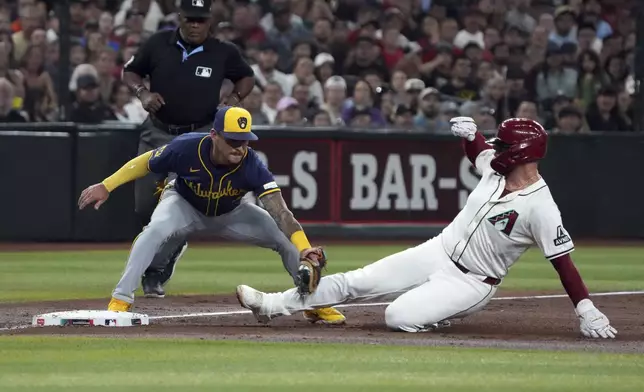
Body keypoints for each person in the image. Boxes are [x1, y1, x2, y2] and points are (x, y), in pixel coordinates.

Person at [236, 116, 617, 340]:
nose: (496, 150)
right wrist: (472, 136)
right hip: (438, 249)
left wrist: (586, 309)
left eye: (503, 146)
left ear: (522, 154)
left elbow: (563, 263)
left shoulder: (541, 206)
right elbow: (480, 152)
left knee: (397, 317)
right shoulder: (495, 168)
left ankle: (436, 310)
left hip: (471, 282)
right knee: (357, 281)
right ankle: (271, 304)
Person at [78, 106, 345, 325]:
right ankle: (121, 299)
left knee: (286, 240)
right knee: (155, 230)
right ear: (214, 135)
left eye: (244, 141)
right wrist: (107, 185)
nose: (239, 148)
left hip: (232, 212)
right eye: (232, 140)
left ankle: (314, 303)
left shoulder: (252, 165)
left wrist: (304, 248)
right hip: (183, 203)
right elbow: (146, 162)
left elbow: (280, 211)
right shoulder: (186, 148)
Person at [121, 0, 256, 298]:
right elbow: (130, 72)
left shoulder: (223, 51)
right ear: (179, 18)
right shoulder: (158, 44)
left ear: (210, 21)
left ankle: (156, 271)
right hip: (158, 131)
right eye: (190, 19)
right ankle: (167, 251)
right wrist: (142, 92)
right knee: (144, 205)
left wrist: (233, 99)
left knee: (180, 202)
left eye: (201, 19)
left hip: (199, 138)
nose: (195, 25)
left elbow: (247, 76)